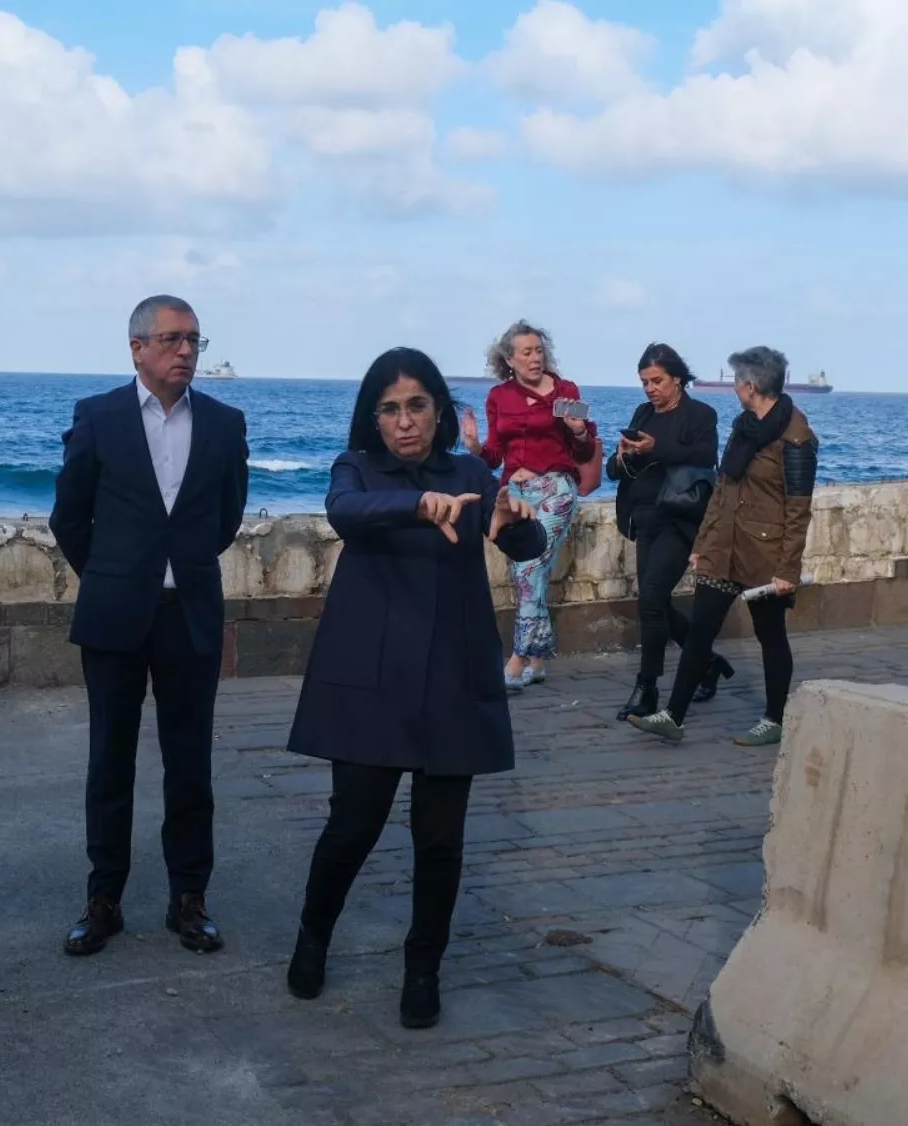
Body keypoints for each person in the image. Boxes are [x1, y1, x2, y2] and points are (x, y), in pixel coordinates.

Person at [284, 347, 544, 1029]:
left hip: (452, 677)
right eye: (390, 409)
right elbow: (347, 512)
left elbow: (526, 542)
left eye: (417, 405)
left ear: (439, 411)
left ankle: (423, 966)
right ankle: (314, 934)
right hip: (372, 678)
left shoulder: (469, 472)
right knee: (352, 827)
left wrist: (516, 519)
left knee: (440, 840)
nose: (404, 422)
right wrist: (416, 505)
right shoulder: (357, 470)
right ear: (374, 417)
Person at [50, 295, 250, 958]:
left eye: (193, 339)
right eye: (171, 339)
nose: (186, 352)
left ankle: (189, 899)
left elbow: (225, 518)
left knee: (189, 765)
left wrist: (175, 570)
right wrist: (113, 574)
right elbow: (68, 518)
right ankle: (103, 899)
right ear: (136, 347)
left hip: (188, 615)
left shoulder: (224, 424)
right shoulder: (100, 417)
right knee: (110, 760)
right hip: (114, 616)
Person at [633, 347, 817, 748]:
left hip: (764, 554)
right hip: (724, 547)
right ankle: (672, 715)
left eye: (736, 381)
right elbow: (722, 489)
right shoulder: (744, 426)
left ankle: (774, 719)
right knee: (700, 631)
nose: (734, 387)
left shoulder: (797, 438)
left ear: (750, 386)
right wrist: (704, 543)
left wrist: (788, 570)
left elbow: (799, 508)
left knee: (770, 635)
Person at [462, 320, 598, 691]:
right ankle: (539, 659)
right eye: (527, 352)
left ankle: (517, 659)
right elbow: (492, 457)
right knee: (525, 572)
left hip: (556, 488)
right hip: (515, 494)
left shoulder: (564, 391)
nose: (535, 358)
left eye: (539, 350)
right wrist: (473, 447)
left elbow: (584, 449)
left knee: (528, 570)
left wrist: (579, 431)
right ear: (510, 359)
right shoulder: (498, 397)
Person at [606, 344, 729, 722]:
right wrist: (624, 455)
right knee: (653, 601)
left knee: (653, 598)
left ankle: (647, 687)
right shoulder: (642, 413)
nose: (650, 389)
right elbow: (617, 471)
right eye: (644, 382)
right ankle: (705, 660)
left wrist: (656, 447)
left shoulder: (700, 415)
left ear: (677, 378)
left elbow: (704, 456)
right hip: (645, 517)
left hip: (680, 519)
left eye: (656, 381)